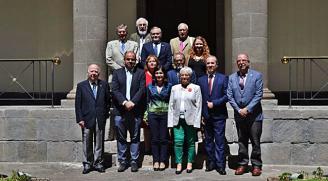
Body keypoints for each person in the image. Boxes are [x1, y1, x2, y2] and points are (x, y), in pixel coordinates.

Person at [227, 53, 264, 176]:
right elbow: (230, 96)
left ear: (248, 62)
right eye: (239, 60)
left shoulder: (257, 76)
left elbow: (259, 94)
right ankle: (242, 164)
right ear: (237, 63)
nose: (241, 62)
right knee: (242, 141)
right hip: (239, 115)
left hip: (254, 116)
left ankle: (256, 165)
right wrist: (238, 110)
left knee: (255, 141)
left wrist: (247, 109)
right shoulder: (232, 77)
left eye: (244, 60)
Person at [112, 51, 145, 172]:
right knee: (121, 138)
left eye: (133, 59)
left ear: (135, 60)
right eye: (128, 59)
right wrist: (125, 102)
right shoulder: (117, 73)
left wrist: (133, 102)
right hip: (120, 111)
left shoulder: (140, 73)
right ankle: (122, 161)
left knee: (135, 137)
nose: (130, 61)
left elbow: (142, 89)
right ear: (124, 60)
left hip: (135, 111)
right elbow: (114, 90)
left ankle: (134, 161)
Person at [75, 64, 111, 174]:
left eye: (96, 71)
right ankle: (87, 164)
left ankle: (98, 163)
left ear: (99, 74)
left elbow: (108, 101)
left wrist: (105, 115)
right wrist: (80, 119)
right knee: (87, 141)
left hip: (100, 118)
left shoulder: (104, 85)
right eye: (91, 71)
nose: (93, 73)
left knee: (99, 142)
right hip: (86, 118)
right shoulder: (81, 86)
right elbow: (78, 104)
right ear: (88, 72)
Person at [168, 67, 202, 174]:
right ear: (179, 77)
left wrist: (197, 123)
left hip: (191, 120)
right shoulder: (174, 88)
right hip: (177, 120)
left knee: (191, 142)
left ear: (190, 77)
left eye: (187, 75)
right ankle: (179, 163)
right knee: (178, 142)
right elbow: (171, 106)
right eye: (182, 75)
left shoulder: (196, 88)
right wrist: (170, 123)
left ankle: (189, 163)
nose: (184, 77)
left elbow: (199, 106)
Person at [198, 56, 228, 175]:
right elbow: (198, 99)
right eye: (208, 63)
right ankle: (211, 162)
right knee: (208, 141)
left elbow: (227, 96)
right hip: (206, 116)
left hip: (219, 115)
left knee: (220, 142)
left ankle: (220, 165)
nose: (210, 65)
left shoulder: (224, 78)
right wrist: (200, 115)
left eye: (212, 63)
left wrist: (214, 103)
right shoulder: (201, 80)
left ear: (216, 65)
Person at [146, 66, 171, 171]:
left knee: (164, 139)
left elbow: (171, 101)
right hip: (153, 114)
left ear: (164, 74)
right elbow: (147, 101)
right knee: (155, 138)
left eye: (161, 73)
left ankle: (163, 160)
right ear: (154, 75)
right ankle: (156, 160)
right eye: (157, 73)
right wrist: (146, 115)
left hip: (165, 114)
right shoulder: (149, 86)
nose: (159, 75)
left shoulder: (169, 86)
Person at [143, 55, 160, 155]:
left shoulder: (160, 73)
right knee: (146, 126)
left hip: (159, 103)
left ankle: (157, 146)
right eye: (150, 61)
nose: (152, 63)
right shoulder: (144, 74)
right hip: (147, 102)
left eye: (154, 61)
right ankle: (147, 147)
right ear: (147, 64)